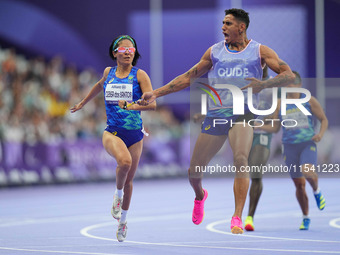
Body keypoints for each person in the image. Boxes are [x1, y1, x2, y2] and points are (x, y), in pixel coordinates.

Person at [139, 8, 294, 234]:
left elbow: (288, 74)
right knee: (194, 171)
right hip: (217, 115)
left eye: (228, 23)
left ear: (241, 27)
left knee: (241, 159)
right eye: (222, 23)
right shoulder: (214, 52)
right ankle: (200, 196)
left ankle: (237, 217)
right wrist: (155, 93)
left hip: (244, 113)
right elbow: (187, 77)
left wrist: (263, 85)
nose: (223, 27)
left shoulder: (259, 51)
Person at [70, 35, 156, 242]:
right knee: (124, 162)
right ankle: (117, 197)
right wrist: (83, 102)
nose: (127, 52)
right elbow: (100, 85)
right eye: (123, 49)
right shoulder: (108, 73)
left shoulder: (140, 75)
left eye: (131, 50)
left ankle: (123, 221)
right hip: (113, 132)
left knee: (130, 182)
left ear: (134, 54)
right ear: (115, 52)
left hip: (135, 134)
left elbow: (152, 105)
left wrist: (132, 105)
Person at [255, 71, 327, 230]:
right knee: (299, 186)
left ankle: (316, 190)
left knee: (307, 172)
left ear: (299, 85)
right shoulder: (280, 103)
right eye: (286, 85)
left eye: (292, 84)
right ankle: (306, 217)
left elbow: (323, 119)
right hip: (289, 147)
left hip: (307, 144)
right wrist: (258, 126)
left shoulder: (309, 100)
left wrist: (320, 134)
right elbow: (274, 128)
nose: (289, 87)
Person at [244, 65, 278, 231]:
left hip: (262, 136)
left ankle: (250, 217)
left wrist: (259, 125)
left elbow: (274, 123)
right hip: (244, 134)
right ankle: (237, 212)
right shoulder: (246, 81)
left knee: (256, 176)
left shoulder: (272, 86)